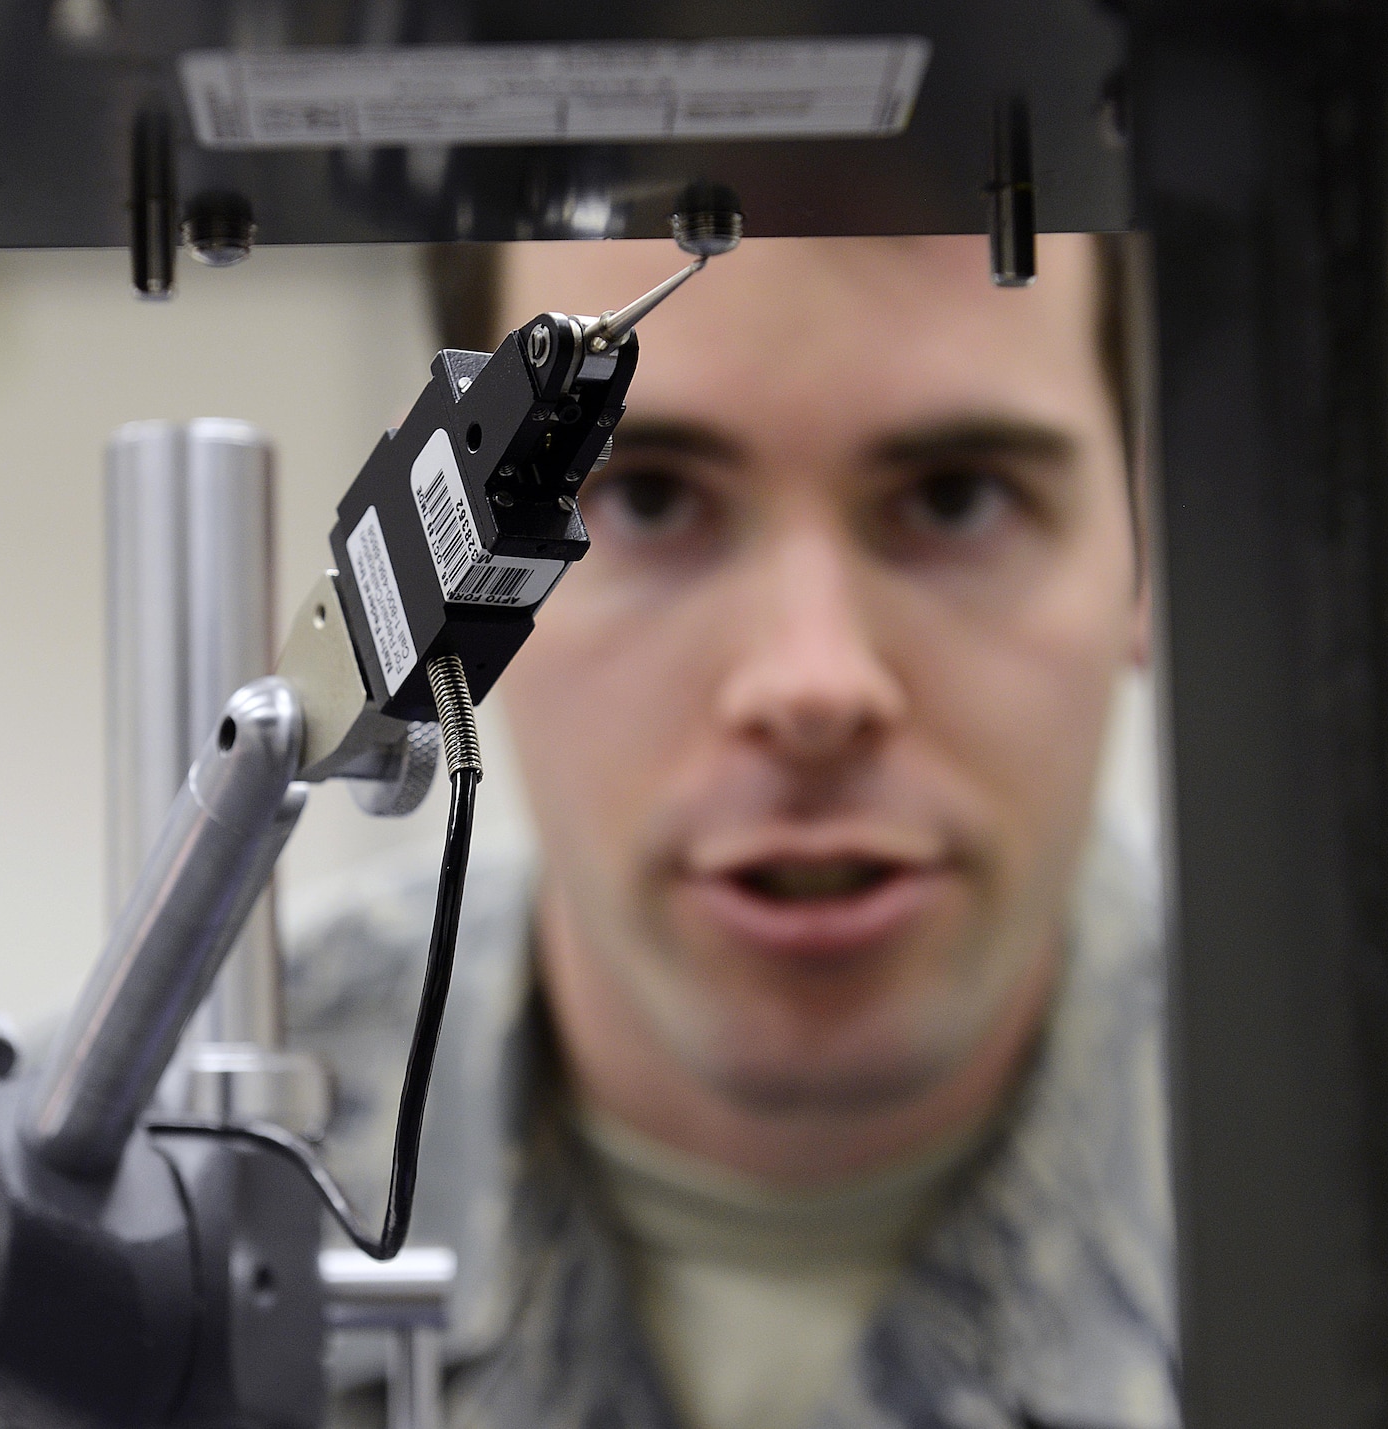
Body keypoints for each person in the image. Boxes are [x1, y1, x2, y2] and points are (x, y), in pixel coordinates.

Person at [284, 234, 1173, 1429]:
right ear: (449, 552)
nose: (810, 683)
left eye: (954, 497)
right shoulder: (131, 1182)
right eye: (646, 496)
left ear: (1153, 540)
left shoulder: (1379, 1185)